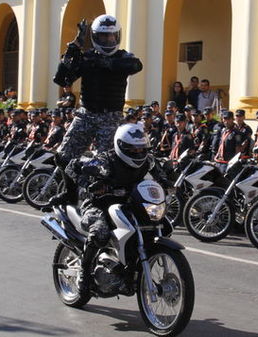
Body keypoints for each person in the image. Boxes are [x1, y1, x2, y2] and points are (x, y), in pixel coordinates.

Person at [64, 123, 170, 296]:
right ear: (121, 146)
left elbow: (161, 174)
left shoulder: (148, 160)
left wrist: (167, 183)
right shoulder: (106, 160)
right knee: (100, 232)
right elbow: (72, 168)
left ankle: (130, 267)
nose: (139, 153)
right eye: (133, 150)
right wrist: (90, 185)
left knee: (162, 225)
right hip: (99, 204)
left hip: (130, 202)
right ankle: (84, 273)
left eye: (142, 149)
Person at [54, 14, 143, 161]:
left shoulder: (123, 57)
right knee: (63, 156)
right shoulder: (88, 58)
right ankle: (68, 184)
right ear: (95, 37)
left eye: (112, 36)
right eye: (104, 37)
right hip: (85, 115)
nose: (109, 40)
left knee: (106, 162)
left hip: (111, 118)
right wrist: (74, 47)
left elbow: (136, 65)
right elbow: (62, 79)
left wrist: (105, 63)